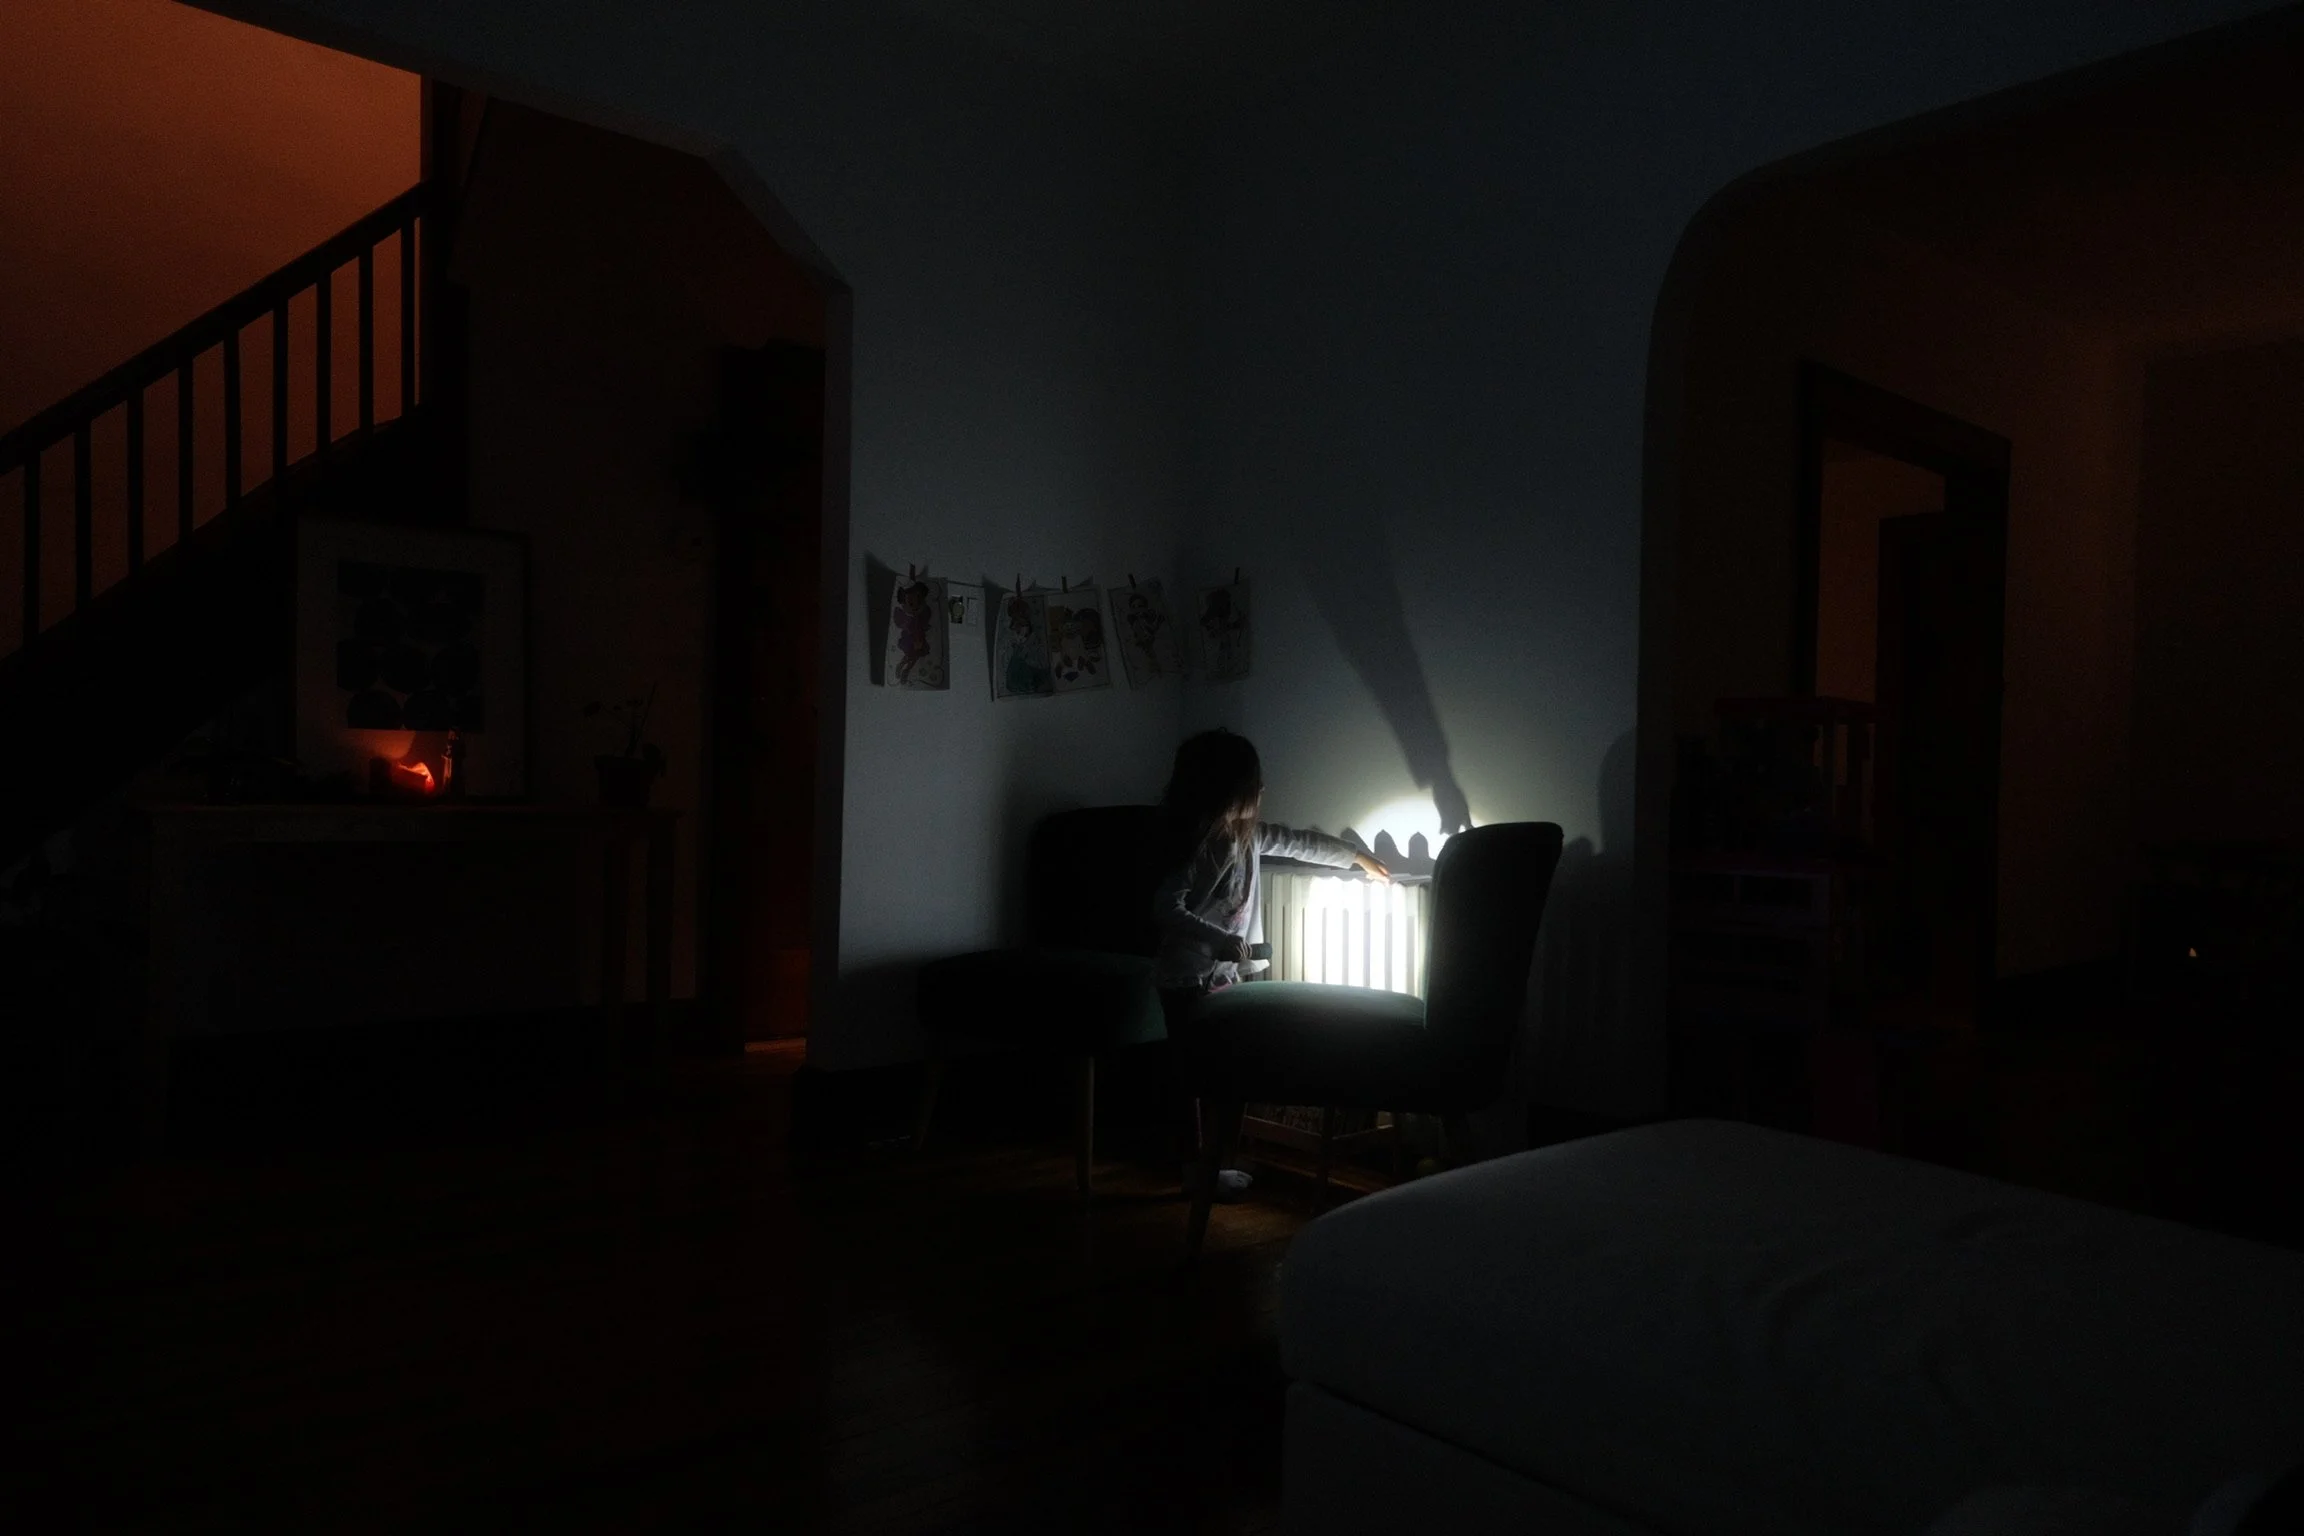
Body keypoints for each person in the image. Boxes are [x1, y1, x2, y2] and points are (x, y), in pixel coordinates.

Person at [1153, 728, 1388, 1198]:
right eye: (1253, 784)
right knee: (1195, 1078)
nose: (1262, 792)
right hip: (1187, 980)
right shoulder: (1199, 847)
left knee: (1221, 1072)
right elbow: (1165, 907)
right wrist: (1217, 939)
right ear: (1226, 789)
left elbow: (1300, 843)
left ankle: (1213, 1161)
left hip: (1226, 978)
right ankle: (1195, 1168)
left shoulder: (1250, 836)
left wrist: (1355, 857)